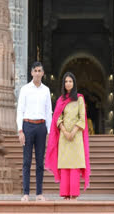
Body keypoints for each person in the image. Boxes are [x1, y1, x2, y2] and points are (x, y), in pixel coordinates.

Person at [45, 72, 90, 200]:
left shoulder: (79, 99)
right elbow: (57, 118)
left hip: (76, 137)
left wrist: (73, 132)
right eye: (66, 81)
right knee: (65, 164)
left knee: (74, 165)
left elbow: (82, 118)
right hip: (64, 137)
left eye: (70, 81)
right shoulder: (61, 100)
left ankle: (74, 194)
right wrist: (64, 132)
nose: (68, 83)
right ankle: (65, 194)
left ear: (74, 83)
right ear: (63, 84)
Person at [17, 62, 52, 202]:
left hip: (41, 127)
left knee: (39, 162)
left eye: (40, 71)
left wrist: (49, 132)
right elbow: (20, 110)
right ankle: (26, 193)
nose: (37, 73)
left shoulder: (46, 90)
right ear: (31, 73)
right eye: (35, 71)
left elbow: (48, 112)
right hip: (27, 126)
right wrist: (20, 130)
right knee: (26, 161)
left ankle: (39, 193)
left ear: (43, 73)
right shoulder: (25, 89)